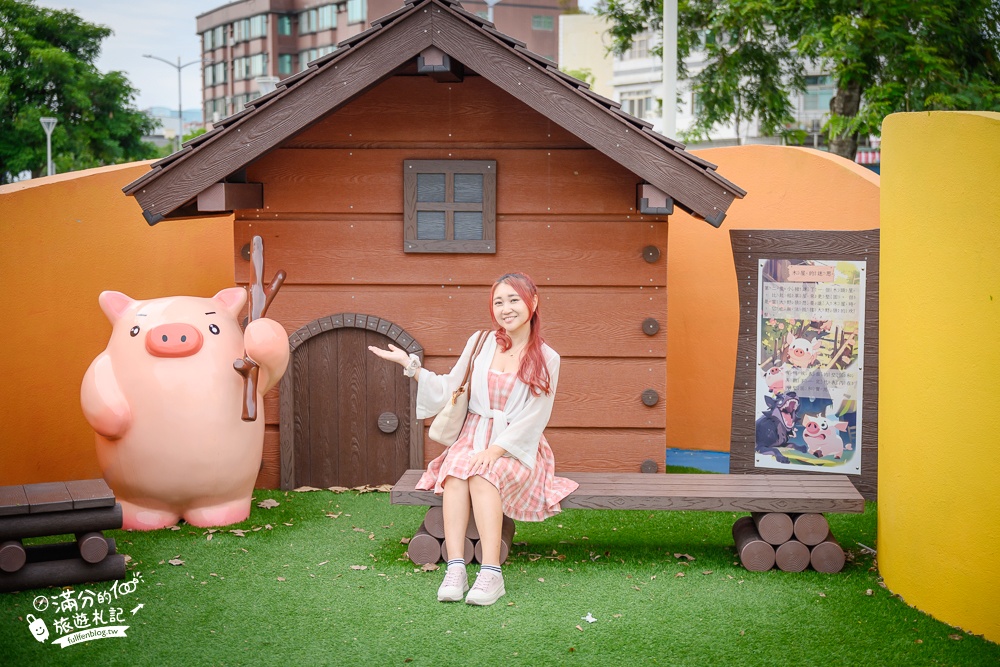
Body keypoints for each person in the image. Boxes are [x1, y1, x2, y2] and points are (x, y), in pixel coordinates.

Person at [368, 272, 578, 606]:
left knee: (482, 475)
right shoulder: (481, 343)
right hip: (471, 435)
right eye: (498, 301)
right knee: (454, 476)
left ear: (533, 302)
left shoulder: (547, 357)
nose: (506, 308)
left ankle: (492, 574)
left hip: (515, 444)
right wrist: (410, 365)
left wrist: (495, 450)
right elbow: (451, 385)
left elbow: (535, 416)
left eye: (513, 300)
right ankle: (456, 569)